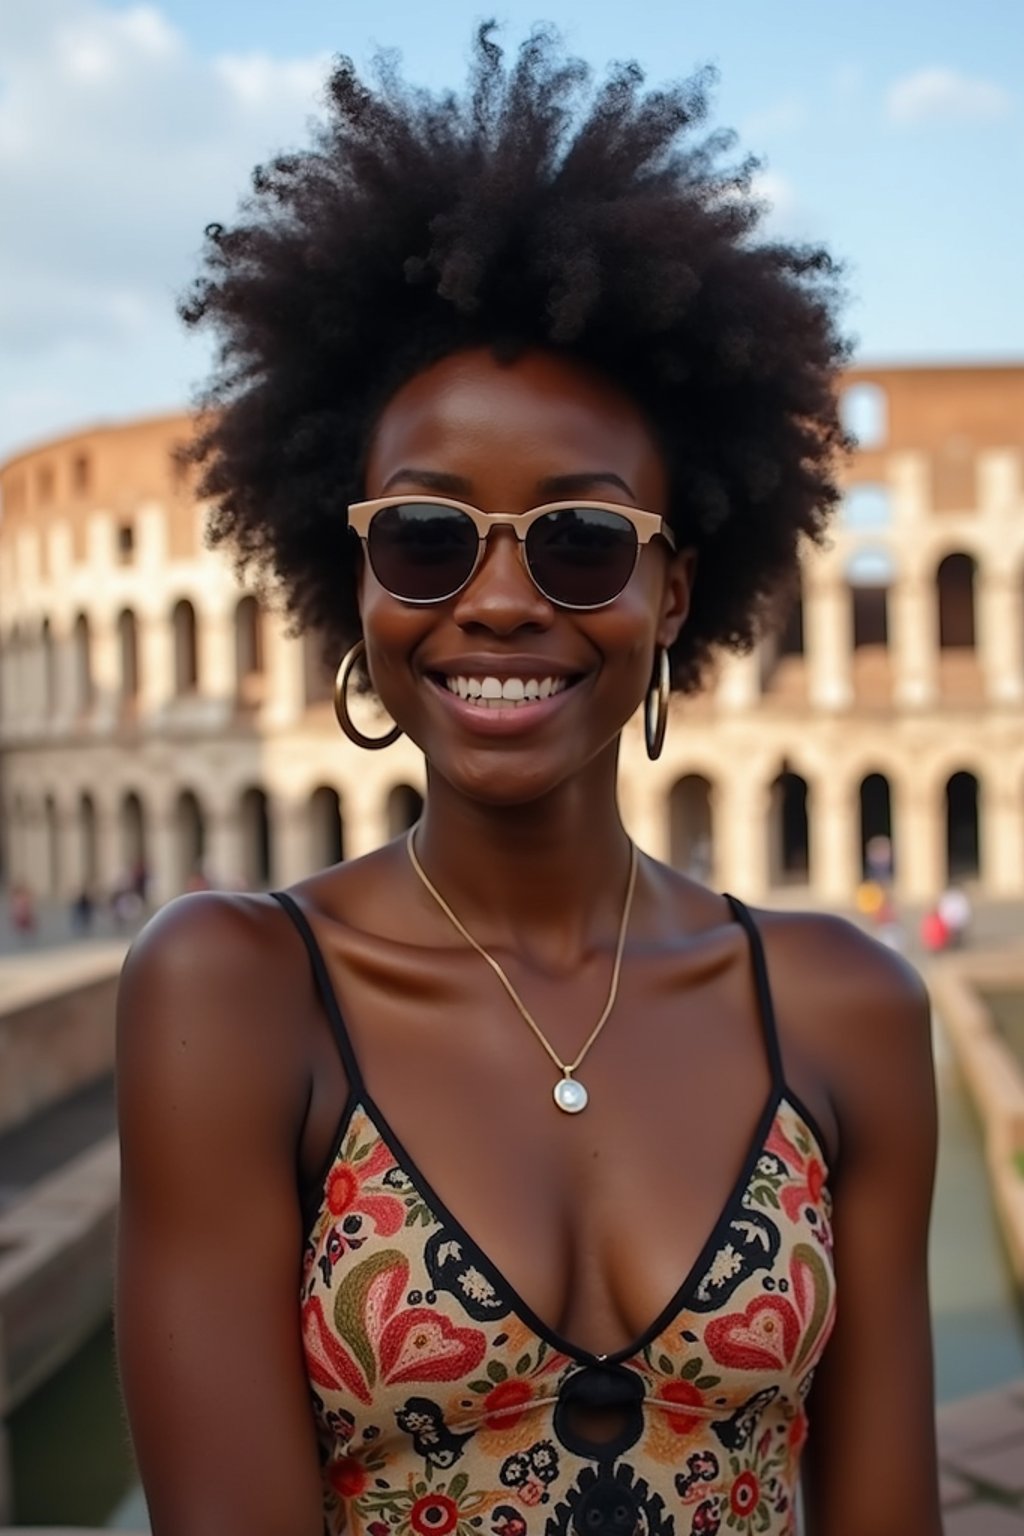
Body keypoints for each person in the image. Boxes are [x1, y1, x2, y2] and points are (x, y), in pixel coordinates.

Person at [116, 28, 941, 1536]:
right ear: (352, 579)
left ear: (674, 594)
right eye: (427, 537)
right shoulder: (236, 992)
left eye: (579, 540)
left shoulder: (845, 1006)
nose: (498, 603)